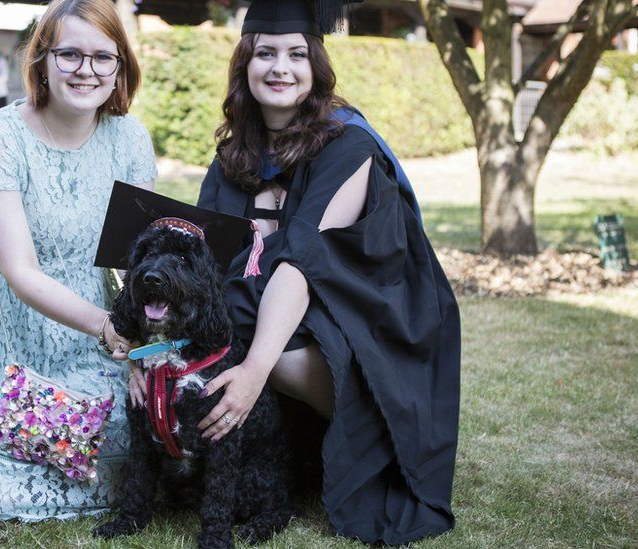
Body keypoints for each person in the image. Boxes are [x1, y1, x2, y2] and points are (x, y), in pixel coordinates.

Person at [192, 0, 461, 545]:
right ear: (244, 64)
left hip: (371, 316)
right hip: (294, 312)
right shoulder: (231, 161)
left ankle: (380, 437)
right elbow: (206, 264)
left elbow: (301, 264)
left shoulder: (349, 144)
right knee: (219, 305)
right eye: (265, 53)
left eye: (296, 54)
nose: (280, 68)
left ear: (315, 66)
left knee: (237, 315)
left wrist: (250, 375)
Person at [0, 0, 157, 522]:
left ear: (121, 65)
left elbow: (137, 265)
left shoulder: (130, 139)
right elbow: (21, 272)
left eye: (104, 57)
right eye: (70, 55)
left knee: (134, 437)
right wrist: (108, 328)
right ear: (41, 60)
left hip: (96, 339)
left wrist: (141, 353)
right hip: (9, 335)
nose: (87, 70)